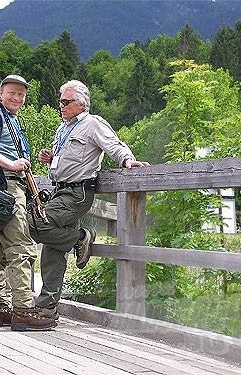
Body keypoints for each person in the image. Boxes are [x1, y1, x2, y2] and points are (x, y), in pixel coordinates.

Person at [29, 80, 149, 319]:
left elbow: (113, 144)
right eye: (59, 101)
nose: (61, 105)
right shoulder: (63, 129)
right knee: (53, 249)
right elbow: (70, 158)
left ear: (82, 103)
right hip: (59, 190)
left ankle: (81, 237)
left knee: (35, 224)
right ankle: (46, 308)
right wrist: (53, 157)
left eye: (66, 101)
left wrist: (127, 161)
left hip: (78, 193)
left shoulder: (92, 123)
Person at [0, 75, 57, 330]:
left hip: (5, 185)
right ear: (1, 92)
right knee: (21, 244)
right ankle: (23, 309)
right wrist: (11, 164)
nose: (16, 98)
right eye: (12, 93)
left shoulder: (11, 119)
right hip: (7, 184)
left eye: (21, 95)